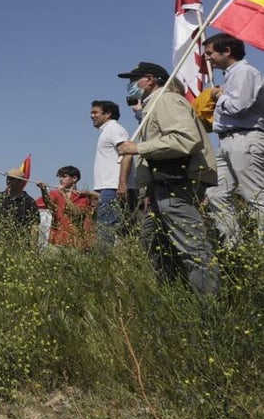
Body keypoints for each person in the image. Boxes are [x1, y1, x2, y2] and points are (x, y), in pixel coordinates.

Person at [116, 62, 220, 295]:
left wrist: (139, 147)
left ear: (150, 79)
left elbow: (185, 139)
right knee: (156, 243)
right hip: (161, 185)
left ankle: (209, 309)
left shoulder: (166, 100)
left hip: (177, 181)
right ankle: (174, 297)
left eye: (134, 80)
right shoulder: (153, 105)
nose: (131, 86)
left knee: (192, 246)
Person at [203, 32, 264, 244]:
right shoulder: (231, 75)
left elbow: (238, 107)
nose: (207, 58)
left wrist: (219, 96)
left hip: (244, 138)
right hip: (227, 141)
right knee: (215, 193)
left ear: (226, 51)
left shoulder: (245, 72)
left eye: (210, 53)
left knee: (255, 195)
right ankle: (233, 245)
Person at [90, 99, 133, 245]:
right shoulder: (107, 131)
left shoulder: (113, 129)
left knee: (105, 230)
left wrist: (122, 183)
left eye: (95, 112)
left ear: (108, 114)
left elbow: (127, 152)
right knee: (115, 230)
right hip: (108, 188)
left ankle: (104, 264)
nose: (92, 115)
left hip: (113, 187)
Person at [36, 167, 96, 249]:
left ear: (74, 178)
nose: (61, 179)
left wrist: (64, 194)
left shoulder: (82, 197)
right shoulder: (55, 193)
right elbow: (48, 203)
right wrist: (43, 190)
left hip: (76, 241)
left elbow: (77, 213)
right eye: (59, 177)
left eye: (64, 176)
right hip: (57, 239)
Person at [0, 164, 40, 233]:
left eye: (12, 179)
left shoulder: (29, 201)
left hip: (22, 242)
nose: (8, 181)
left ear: (20, 182)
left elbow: (35, 226)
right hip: (2, 242)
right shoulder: (0, 197)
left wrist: (34, 243)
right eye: (8, 178)